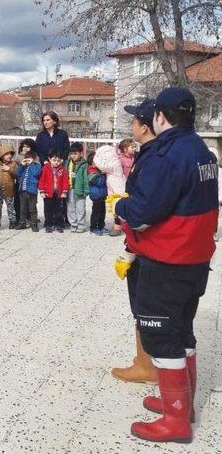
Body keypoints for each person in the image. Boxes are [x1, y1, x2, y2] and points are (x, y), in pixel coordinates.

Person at [114, 87, 219, 443]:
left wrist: (120, 209)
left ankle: (176, 421)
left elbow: (143, 213)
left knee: (161, 336)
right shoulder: (202, 150)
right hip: (195, 258)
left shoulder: (167, 156)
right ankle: (181, 404)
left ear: (160, 117)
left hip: (169, 259)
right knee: (182, 331)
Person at [110, 99, 159, 384]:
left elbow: (145, 208)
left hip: (146, 242)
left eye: (133, 121)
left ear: (144, 125)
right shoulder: (153, 154)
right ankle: (143, 359)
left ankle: (147, 364)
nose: (131, 126)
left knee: (144, 304)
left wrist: (120, 208)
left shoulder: (153, 158)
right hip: (142, 241)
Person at [94, 141, 126, 237]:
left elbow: (103, 166)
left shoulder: (114, 163)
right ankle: (118, 226)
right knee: (113, 207)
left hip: (118, 188)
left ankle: (118, 228)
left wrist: (96, 158)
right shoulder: (114, 162)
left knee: (117, 207)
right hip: (113, 187)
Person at [38, 150, 69, 233]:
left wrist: (64, 191)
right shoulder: (45, 168)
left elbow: (65, 181)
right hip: (48, 193)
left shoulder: (62, 169)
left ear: (61, 160)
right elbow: (42, 181)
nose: (56, 162)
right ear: (49, 159)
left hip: (59, 194)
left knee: (59, 210)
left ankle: (59, 224)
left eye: (58, 161)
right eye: (54, 160)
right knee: (48, 210)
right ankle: (48, 224)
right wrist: (42, 191)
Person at [65, 142, 89, 233]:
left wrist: (86, 190)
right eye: (71, 154)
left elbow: (86, 178)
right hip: (70, 189)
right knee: (71, 208)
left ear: (81, 153)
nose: (73, 156)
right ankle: (73, 224)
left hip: (80, 190)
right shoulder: (67, 163)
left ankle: (81, 225)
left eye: (75, 154)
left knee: (80, 208)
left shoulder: (84, 164)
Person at [16, 151, 41, 231]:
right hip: (23, 191)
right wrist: (21, 165)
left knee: (32, 209)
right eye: (26, 159)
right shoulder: (24, 167)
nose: (28, 160)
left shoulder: (37, 166)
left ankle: (34, 224)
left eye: (30, 158)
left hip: (32, 191)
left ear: (34, 159)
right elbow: (17, 173)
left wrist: (32, 164)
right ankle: (22, 223)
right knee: (22, 209)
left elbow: (35, 173)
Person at [0, 150, 18, 229]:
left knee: (10, 206)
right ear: (2, 155)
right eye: (7, 154)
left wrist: (9, 169)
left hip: (9, 189)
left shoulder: (13, 164)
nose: (9, 156)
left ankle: (12, 221)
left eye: (10, 154)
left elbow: (17, 174)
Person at [87, 153, 107, 236]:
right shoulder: (91, 171)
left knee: (102, 212)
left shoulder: (98, 171)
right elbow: (99, 182)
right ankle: (93, 228)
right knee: (96, 212)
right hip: (96, 195)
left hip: (102, 195)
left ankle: (101, 226)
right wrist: (104, 175)